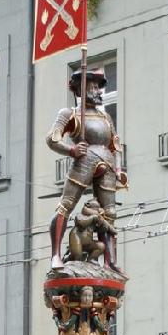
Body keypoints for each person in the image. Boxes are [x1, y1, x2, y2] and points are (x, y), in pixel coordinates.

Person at [46, 68, 125, 270]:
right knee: (66, 206)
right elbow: (52, 139)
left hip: (106, 162)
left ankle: (110, 261)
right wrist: (71, 150)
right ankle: (55, 255)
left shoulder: (106, 117)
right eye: (93, 86)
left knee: (110, 213)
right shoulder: (70, 113)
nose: (98, 90)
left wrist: (118, 169)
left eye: (99, 86)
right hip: (84, 160)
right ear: (81, 88)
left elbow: (115, 145)